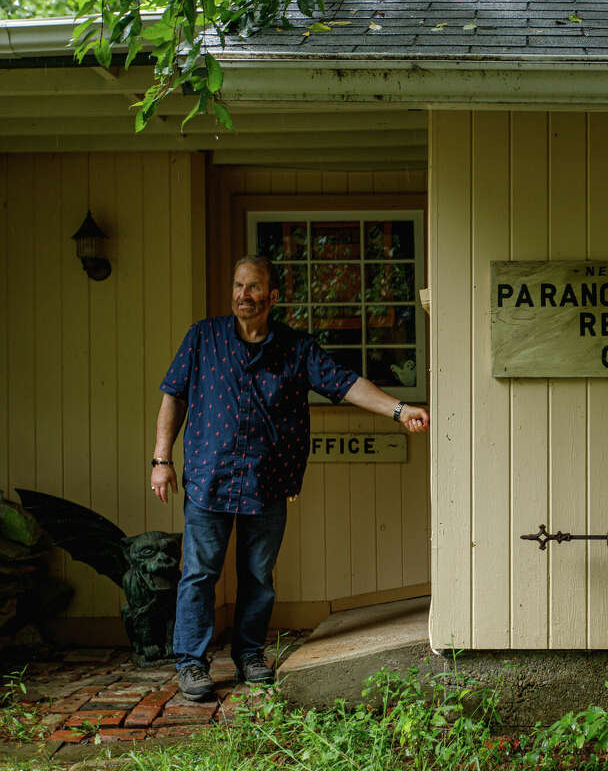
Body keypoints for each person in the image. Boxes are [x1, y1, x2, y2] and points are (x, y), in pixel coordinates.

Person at [149, 256, 430, 701]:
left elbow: (345, 383)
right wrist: (161, 459)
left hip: (269, 480)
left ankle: (249, 655)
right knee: (199, 574)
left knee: (258, 575)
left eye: (254, 287)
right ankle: (191, 664)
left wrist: (399, 410)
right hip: (209, 478)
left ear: (272, 296)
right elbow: (173, 396)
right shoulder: (202, 338)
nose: (244, 294)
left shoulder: (296, 348)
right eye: (238, 285)